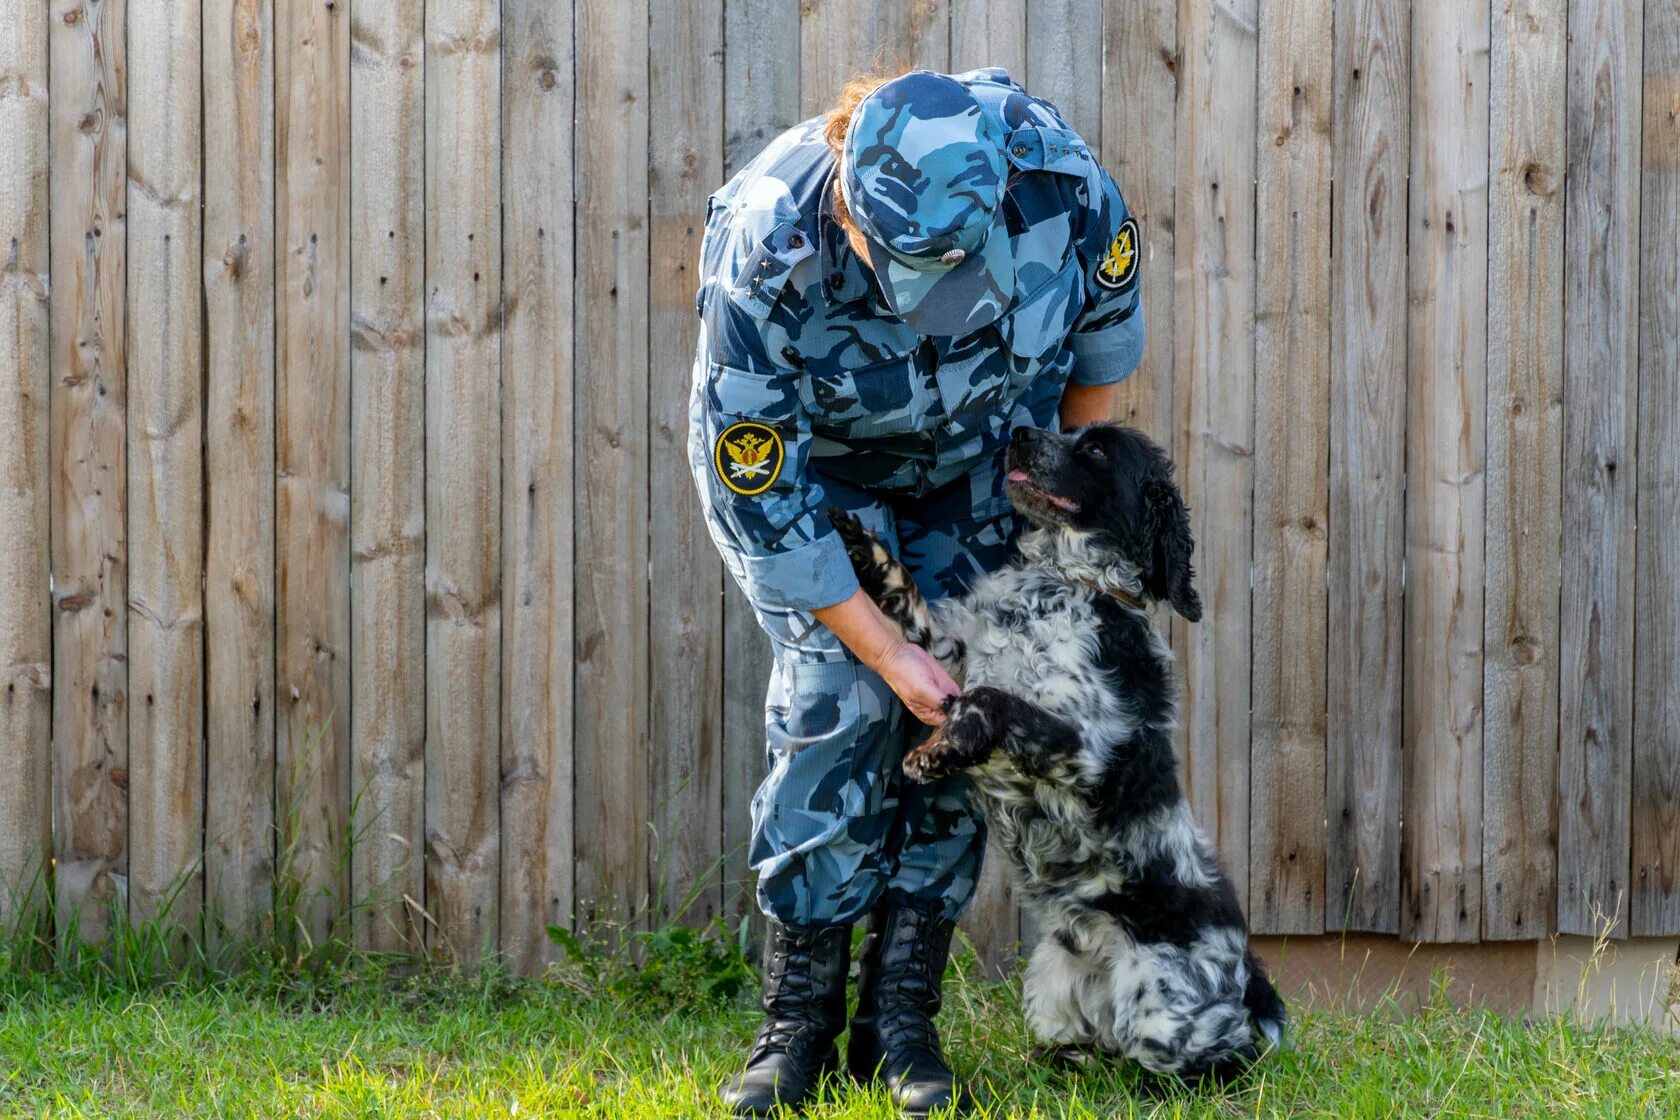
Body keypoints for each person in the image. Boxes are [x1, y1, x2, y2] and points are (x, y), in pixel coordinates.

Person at [688, 67, 1144, 1116]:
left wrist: (1052, 522)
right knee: (839, 701)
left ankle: (903, 1016)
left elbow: (1096, 353)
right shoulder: (768, 243)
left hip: (977, 465)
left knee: (963, 710)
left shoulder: (1061, 183)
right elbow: (765, 493)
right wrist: (888, 651)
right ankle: (796, 1020)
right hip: (818, 484)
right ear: (851, 207)